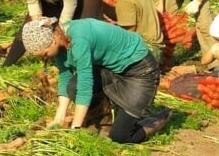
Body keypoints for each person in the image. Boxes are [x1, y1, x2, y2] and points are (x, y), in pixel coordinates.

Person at [21, 18, 172, 143]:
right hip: (111, 69)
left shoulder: (79, 39)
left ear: (53, 40)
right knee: (73, 87)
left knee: (120, 137)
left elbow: (85, 85)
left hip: (139, 70)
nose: (44, 57)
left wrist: (75, 129)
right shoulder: (59, 44)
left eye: (44, 53)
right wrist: (58, 119)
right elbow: (66, 75)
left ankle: (161, 117)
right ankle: (105, 121)